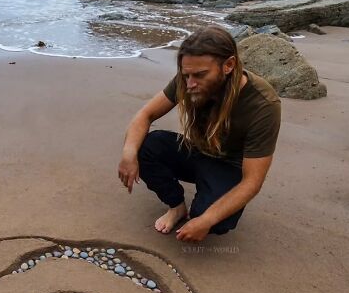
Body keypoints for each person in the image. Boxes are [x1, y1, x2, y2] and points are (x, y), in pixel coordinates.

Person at [117, 25, 281, 243]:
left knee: (212, 221)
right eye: (186, 75)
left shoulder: (263, 104)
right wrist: (129, 154)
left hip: (228, 165)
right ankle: (176, 207)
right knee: (143, 145)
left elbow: (252, 181)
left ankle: (205, 206)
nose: (190, 84)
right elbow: (145, 115)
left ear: (229, 65)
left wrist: (207, 219)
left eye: (200, 75)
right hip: (196, 151)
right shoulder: (189, 80)